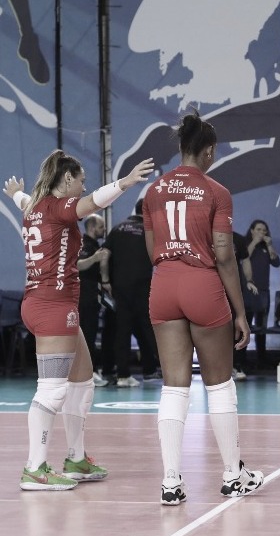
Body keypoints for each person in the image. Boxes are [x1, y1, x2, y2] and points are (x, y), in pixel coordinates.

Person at [3, 149, 153, 490]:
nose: (84, 187)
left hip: (45, 305)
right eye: (81, 181)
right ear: (67, 179)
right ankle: (34, 468)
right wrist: (126, 182)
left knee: (82, 380)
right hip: (52, 306)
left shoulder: (35, 207)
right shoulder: (59, 207)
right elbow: (93, 204)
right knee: (52, 391)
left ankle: (75, 458)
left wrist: (14, 194)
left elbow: (23, 200)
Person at [143, 110, 263, 505]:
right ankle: (233, 475)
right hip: (201, 285)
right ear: (208, 151)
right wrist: (241, 312)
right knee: (219, 385)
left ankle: (171, 482)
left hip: (163, 285)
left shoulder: (154, 192)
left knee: (174, 387)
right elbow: (225, 255)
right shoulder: (216, 191)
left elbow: (151, 250)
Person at [99, 199, 161, 387]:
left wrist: (105, 281)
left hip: (120, 288)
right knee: (149, 330)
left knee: (122, 331)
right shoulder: (151, 232)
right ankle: (161, 371)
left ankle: (123, 376)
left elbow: (104, 257)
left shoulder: (117, 229)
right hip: (143, 287)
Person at [77, 214, 115, 387]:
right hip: (84, 297)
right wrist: (94, 259)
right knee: (87, 334)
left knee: (90, 334)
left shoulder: (94, 245)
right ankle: (87, 374)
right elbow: (77, 265)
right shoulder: (84, 245)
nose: (104, 230)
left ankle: (89, 371)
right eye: (101, 227)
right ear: (92, 228)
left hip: (92, 296)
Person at [240, 219, 280, 375]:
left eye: (264, 230)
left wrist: (269, 245)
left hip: (264, 291)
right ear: (252, 230)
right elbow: (244, 257)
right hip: (249, 290)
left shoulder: (265, 246)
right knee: (246, 326)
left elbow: (275, 262)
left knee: (262, 327)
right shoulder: (245, 244)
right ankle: (242, 360)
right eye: (259, 229)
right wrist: (254, 242)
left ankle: (261, 359)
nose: (262, 233)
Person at [232, 230, 256, 381]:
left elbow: (246, 260)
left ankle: (236, 365)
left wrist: (249, 280)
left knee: (237, 328)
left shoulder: (237, 239)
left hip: (234, 289)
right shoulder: (205, 236)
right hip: (210, 289)